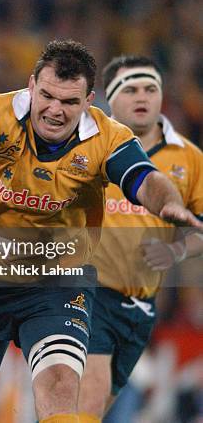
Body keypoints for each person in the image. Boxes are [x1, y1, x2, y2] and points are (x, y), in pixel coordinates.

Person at [0, 40, 202, 423]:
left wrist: (165, 201)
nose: (54, 110)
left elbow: (144, 177)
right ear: (31, 85)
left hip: (57, 280)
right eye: (47, 95)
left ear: (88, 101)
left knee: (60, 385)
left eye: (69, 102)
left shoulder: (108, 137)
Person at [77, 55, 203, 423]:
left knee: (85, 411)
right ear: (108, 99)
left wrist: (177, 249)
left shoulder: (190, 159)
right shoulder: (88, 148)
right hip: (88, 294)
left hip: (141, 307)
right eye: (130, 89)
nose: (142, 97)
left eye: (150, 88)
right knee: (87, 405)